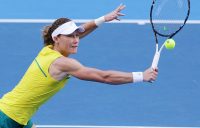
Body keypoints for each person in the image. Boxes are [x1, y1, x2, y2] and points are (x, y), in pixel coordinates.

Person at [0, 4, 158, 128]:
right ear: (56, 38)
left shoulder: (48, 50)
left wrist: (103, 19)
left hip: (13, 112)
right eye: (70, 36)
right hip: (8, 118)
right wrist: (140, 76)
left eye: (77, 35)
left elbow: (74, 36)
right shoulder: (63, 63)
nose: (76, 40)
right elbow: (104, 77)